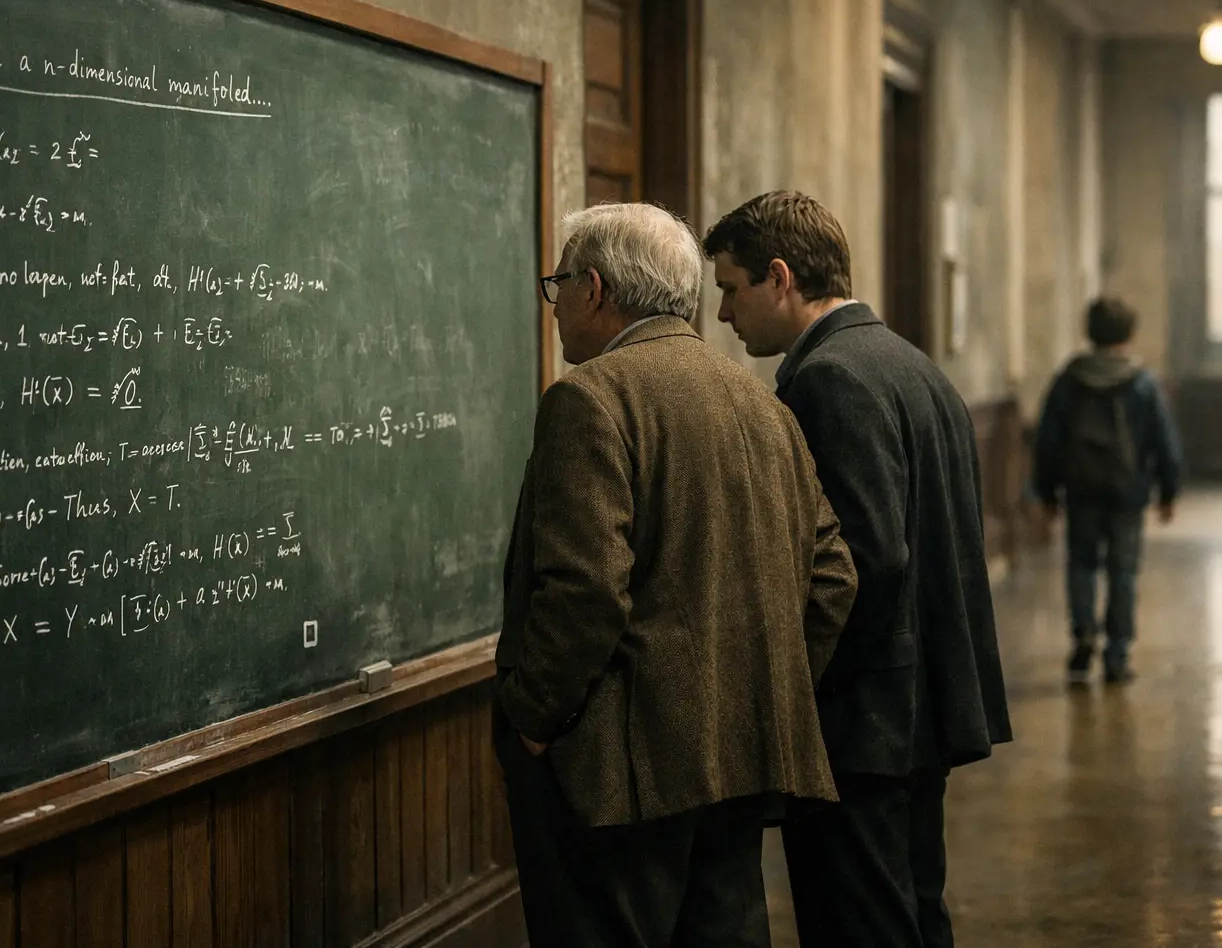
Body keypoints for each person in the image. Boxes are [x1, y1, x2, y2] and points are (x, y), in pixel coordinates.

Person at [495, 201, 857, 947]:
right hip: (741, 758)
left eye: (558, 283)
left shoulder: (589, 399)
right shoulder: (763, 406)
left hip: (619, 778)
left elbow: (585, 593)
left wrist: (534, 721)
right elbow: (833, 576)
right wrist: (763, 685)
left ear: (594, 288)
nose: (554, 304)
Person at [705, 190, 1011, 948]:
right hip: (921, 703)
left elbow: (864, 564)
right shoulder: (913, 365)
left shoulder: (829, 379)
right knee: (914, 910)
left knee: (858, 924)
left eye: (731, 290)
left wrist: (798, 692)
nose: (723, 316)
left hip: (864, 720)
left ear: (779, 277)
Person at [1032, 296, 1183, 685]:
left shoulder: (1069, 380)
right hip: (1127, 491)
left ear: (1090, 332)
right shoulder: (1143, 383)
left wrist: (1046, 492)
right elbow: (1163, 440)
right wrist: (1169, 491)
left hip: (1080, 490)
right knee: (1124, 571)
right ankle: (1117, 654)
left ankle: (1083, 634)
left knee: (1081, 564)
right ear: (1130, 334)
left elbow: (1048, 440)